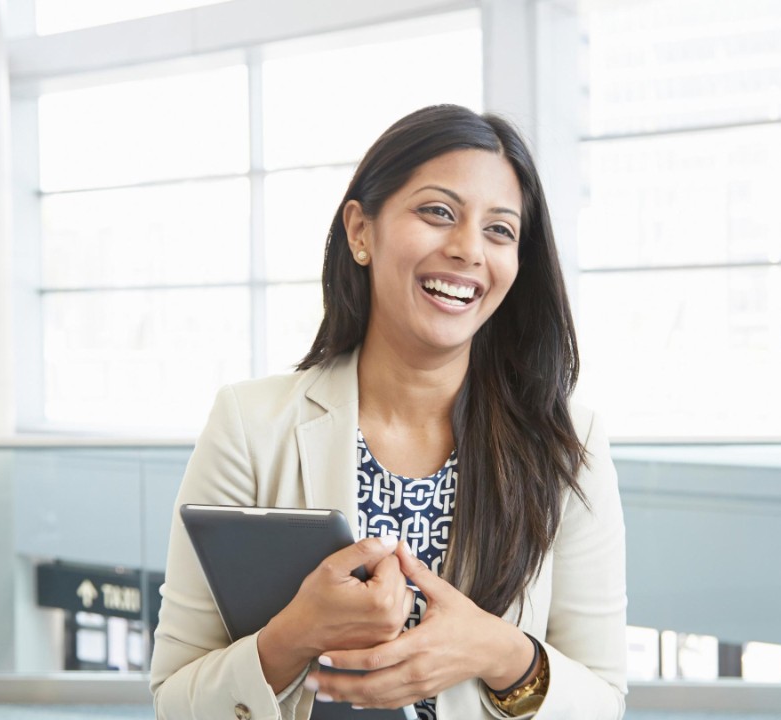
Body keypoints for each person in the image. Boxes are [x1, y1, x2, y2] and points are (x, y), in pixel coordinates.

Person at [150, 104, 627, 719]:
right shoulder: (250, 424)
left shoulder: (568, 443)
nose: (467, 249)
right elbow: (174, 700)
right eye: (437, 212)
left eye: (500, 230)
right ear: (360, 231)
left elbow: (603, 701)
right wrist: (293, 635)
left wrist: (500, 651)